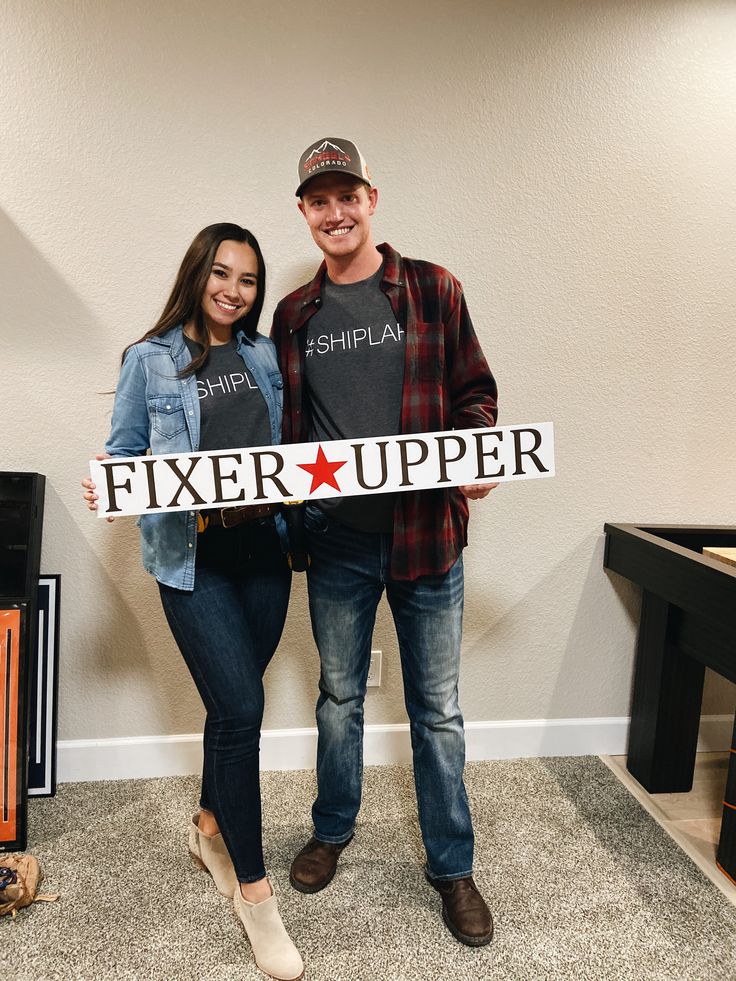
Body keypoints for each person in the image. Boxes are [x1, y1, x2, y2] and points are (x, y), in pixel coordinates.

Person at [270, 139, 499, 947]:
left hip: (426, 537)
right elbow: (283, 429)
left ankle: (452, 866)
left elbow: (475, 393)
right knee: (339, 697)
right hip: (336, 543)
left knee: (437, 710)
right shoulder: (293, 313)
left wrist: (477, 455)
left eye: (347, 196)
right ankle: (333, 828)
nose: (334, 212)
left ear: (372, 198)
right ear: (304, 212)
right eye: (317, 200)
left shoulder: (433, 288)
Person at [82, 224, 304, 981]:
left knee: (231, 709)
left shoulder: (268, 356)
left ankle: (208, 824)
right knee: (242, 710)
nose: (233, 290)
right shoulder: (150, 360)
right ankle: (256, 891)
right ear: (197, 274)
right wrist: (114, 484)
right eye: (221, 273)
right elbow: (125, 447)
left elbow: (294, 446)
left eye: (247, 279)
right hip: (193, 559)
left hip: (265, 553)